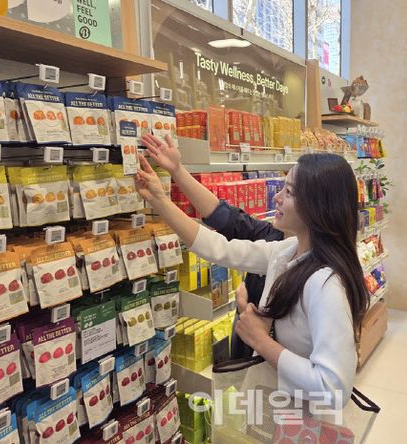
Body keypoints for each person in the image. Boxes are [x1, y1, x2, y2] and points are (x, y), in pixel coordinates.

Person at [135, 134, 369, 407]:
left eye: (289, 192)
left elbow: (334, 390)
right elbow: (219, 248)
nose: (276, 197)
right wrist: (161, 200)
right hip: (272, 407)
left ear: (318, 206)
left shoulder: (325, 284)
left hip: (304, 421)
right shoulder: (286, 252)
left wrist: (259, 339)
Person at [140, 134, 284, 359]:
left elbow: (323, 373)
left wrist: (259, 334)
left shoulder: (317, 274)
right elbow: (222, 219)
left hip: (270, 373)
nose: (277, 197)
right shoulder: (278, 240)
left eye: (290, 191)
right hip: (248, 362)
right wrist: (176, 172)